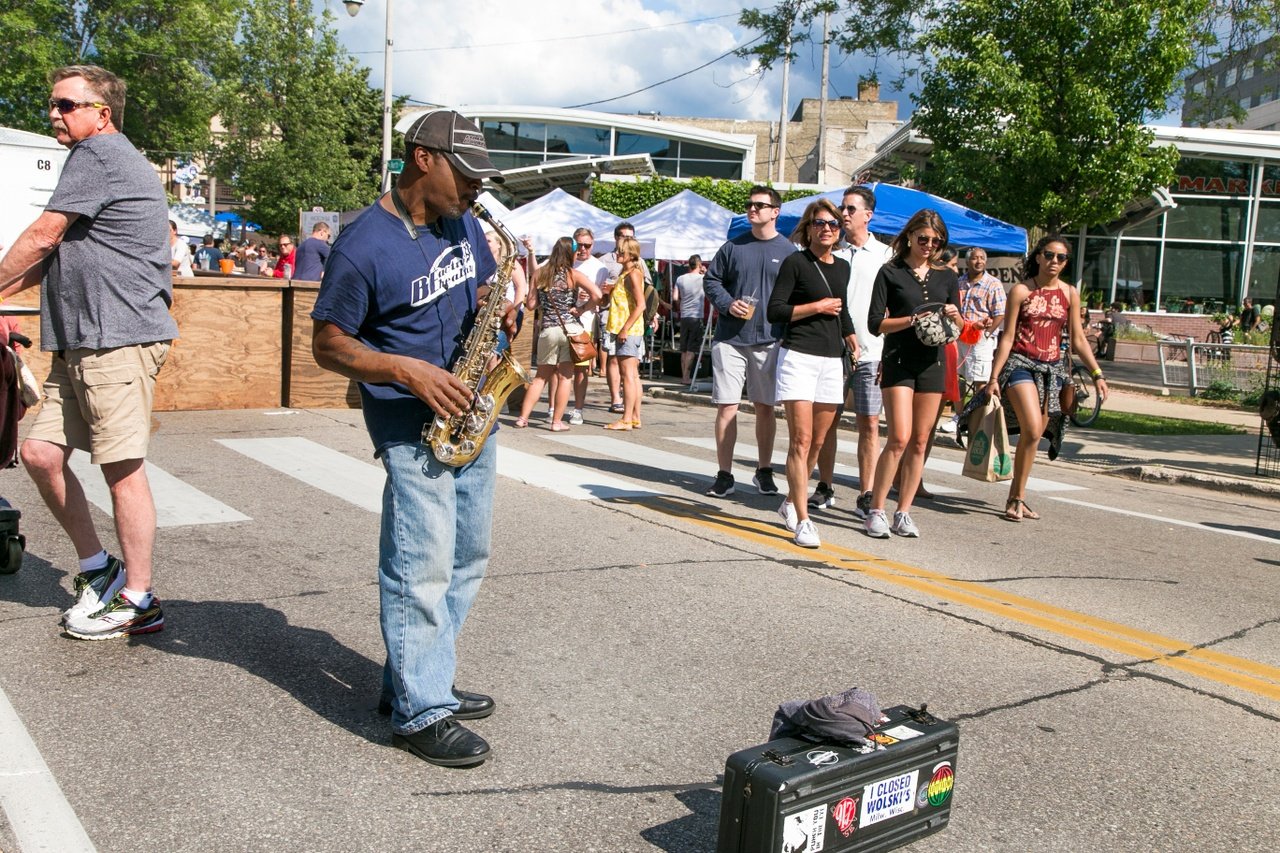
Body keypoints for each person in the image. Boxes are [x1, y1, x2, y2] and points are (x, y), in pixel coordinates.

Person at [310, 108, 507, 768]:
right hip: (410, 421)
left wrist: (494, 318)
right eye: (468, 174)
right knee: (419, 564)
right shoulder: (363, 242)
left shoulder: (464, 224)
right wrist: (404, 368)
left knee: (467, 556)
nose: (478, 189)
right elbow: (328, 343)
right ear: (424, 159)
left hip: (471, 408)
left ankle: (418, 677)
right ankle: (420, 709)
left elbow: (478, 292)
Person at [0, 64, 178, 639]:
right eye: (51, 104)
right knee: (41, 455)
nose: (54, 113)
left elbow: (42, 236)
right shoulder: (99, 160)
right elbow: (52, 258)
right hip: (81, 342)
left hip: (116, 340)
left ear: (102, 113)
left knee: (122, 470)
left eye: (66, 104)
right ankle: (99, 568)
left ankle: (139, 597)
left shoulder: (99, 155)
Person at [986, 235, 1109, 521]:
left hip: (1051, 370)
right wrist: (993, 376)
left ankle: (1017, 497)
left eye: (1061, 257)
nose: (1055, 261)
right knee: (1030, 428)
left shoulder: (1069, 293)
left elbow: (1078, 339)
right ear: (1039, 257)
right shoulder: (1021, 290)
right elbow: (1007, 337)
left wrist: (1097, 374)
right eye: (1050, 255)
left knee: (1035, 435)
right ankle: (1015, 498)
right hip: (1020, 364)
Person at [863, 209, 961, 539]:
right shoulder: (890, 272)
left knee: (920, 441)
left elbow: (959, 327)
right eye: (924, 239)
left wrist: (954, 315)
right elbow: (875, 323)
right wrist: (910, 320)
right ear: (910, 236)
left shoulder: (946, 276)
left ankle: (903, 512)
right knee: (900, 438)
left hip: (933, 362)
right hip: (899, 359)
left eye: (937, 241)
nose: (930, 246)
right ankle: (876, 509)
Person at [768, 199, 856, 548]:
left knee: (820, 440)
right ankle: (804, 519)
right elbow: (776, 310)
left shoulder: (842, 267)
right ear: (809, 228)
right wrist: (815, 307)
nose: (827, 229)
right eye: (820, 223)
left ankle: (790, 501)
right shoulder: (795, 262)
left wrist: (851, 335)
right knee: (801, 439)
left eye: (833, 224)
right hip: (798, 356)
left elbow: (842, 308)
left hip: (831, 358)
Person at [702, 186, 794, 498]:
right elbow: (711, 280)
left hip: (769, 340)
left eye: (759, 205)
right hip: (730, 338)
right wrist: (727, 303)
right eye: (749, 205)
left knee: (765, 408)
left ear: (775, 212)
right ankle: (724, 474)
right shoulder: (733, 247)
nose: (752, 209)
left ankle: (764, 470)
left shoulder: (789, 251)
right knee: (727, 406)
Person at [809, 186, 892, 517]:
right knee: (827, 422)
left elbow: (892, 308)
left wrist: (888, 353)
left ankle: (866, 492)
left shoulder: (886, 256)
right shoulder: (834, 254)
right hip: (833, 350)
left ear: (868, 216)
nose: (843, 214)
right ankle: (825, 485)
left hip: (873, 352)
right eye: (842, 208)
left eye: (850, 209)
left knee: (869, 423)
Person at [513, 236, 601, 430]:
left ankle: (522, 418)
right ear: (571, 254)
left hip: (548, 329)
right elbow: (598, 295)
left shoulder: (539, 274)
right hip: (569, 330)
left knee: (540, 377)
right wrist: (582, 308)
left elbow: (531, 304)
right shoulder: (574, 275)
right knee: (565, 377)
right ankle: (557, 422)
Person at [598, 221, 652, 411]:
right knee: (631, 373)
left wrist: (625, 328)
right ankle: (633, 415)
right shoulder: (625, 270)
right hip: (621, 324)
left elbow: (641, 303)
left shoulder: (634, 272)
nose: (618, 254)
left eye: (621, 252)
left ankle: (628, 416)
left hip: (628, 327)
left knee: (629, 373)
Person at [567, 226, 608, 425]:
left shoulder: (599, 268)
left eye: (587, 245)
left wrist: (588, 300)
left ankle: (578, 409)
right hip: (562, 320)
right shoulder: (564, 261)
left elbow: (601, 298)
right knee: (559, 368)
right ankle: (554, 408)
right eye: (579, 245)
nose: (583, 249)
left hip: (584, 322)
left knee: (581, 369)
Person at [673, 255, 706, 384]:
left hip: (684, 315)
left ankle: (683, 376)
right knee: (692, 348)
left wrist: (678, 307)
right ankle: (687, 377)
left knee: (684, 348)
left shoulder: (680, 279)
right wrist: (705, 272)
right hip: (696, 316)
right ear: (699, 265)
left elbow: (675, 298)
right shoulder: (703, 279)